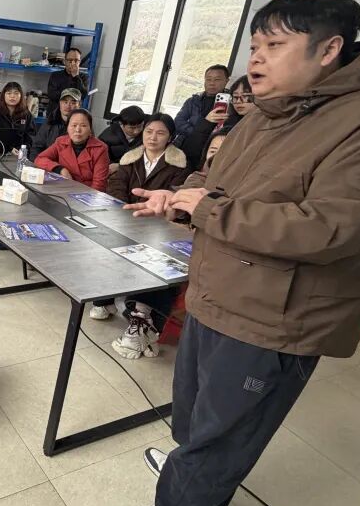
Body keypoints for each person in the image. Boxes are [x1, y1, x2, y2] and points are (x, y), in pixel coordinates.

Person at [100, 0, 360, 506]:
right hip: (218, 291)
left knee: (227, 429)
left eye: (274, 46)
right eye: (254, 45)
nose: (255, 59)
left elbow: (330, 229)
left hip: (276, 315)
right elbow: (216, 182)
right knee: (195, 406)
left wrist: (209, 210)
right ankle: (189, 468)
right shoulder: (270, 113)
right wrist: (179, 199)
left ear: (329, 49)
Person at [91, 114, 191, 322]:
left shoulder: (179, 164)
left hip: (158, 224)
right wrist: (124, 212)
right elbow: (117, 185)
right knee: (109, 250)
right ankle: (105, 299)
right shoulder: (130, 158)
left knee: (148, 264)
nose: (153, 137)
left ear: (170, 137)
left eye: (160, 133)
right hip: (126, 217)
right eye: (149, 132)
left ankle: (140, 309)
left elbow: (174, 197)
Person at [34, 108, 109, 190]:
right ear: (67, 128)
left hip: (87, 193)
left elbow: (99, 185)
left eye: (83, 126)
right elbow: (40, 159)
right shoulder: (61, 142)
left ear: (90, 129)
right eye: (74, 125)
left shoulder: (100, 149)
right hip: (62, 188)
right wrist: (60, 169)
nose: (78, 130)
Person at [172, 64, 228, 145]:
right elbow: (178, 122)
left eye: (217, 79)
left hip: (212, 147)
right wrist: (197, 132)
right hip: (184, 144)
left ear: (226, 81)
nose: (212, 83)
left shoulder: (232, 104)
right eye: (208, 79)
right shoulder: (193, 101)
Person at [0, 80, 35, 153]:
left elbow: (31, 135)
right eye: (9, 93)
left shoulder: (26, 114)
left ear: (21, 96)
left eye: (16, 93)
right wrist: (9, 149)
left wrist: (23, 149)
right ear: (3, 96)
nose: (12, 96)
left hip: (21, 153)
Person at [33, 87, 81, 152]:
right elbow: (37, 147)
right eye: (65, 102)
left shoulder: (84, 125)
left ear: (79, 105)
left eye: (73, 103)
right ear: (60, 103)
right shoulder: (50, 122)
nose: (68, 106)